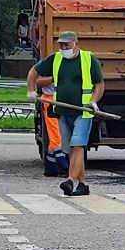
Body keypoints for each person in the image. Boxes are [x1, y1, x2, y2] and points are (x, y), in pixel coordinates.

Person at [27, 31, 104, 195]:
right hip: (62, 111)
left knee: (78, 145)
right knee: (70, 150)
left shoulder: (89, 59)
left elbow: (99, 85)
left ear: (75, 43)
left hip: (83, 111)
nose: (63, 48)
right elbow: (34, 72)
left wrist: (93, 101)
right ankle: (83, 184)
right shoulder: (55, 59)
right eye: (61, 45)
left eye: (66, 45)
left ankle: (70, 180)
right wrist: (31, 90)